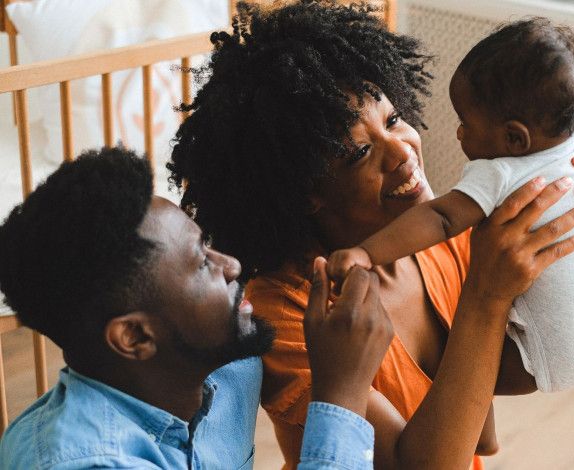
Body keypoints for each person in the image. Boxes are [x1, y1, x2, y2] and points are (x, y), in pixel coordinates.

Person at [167, 2, 574, 468]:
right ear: (306, 191)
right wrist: (487, 298)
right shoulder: (287, 312)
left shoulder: (448, 235)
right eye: (360, 152)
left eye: (393, 120)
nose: (403, 152)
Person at [0, 147, 396, 469]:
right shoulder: (84, 462)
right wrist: (341, 393)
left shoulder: (230, 372)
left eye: (208, 245)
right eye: (202, 262)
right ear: (134, 336)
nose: (232, 266)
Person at [327, 18, 574, 393]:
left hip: (546, 356)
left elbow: (440, 218)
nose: (458, 132)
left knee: (462, 370)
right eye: (361, 151)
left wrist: (364, 253)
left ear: (514, 138)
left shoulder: (500, 173)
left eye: (465, 122)